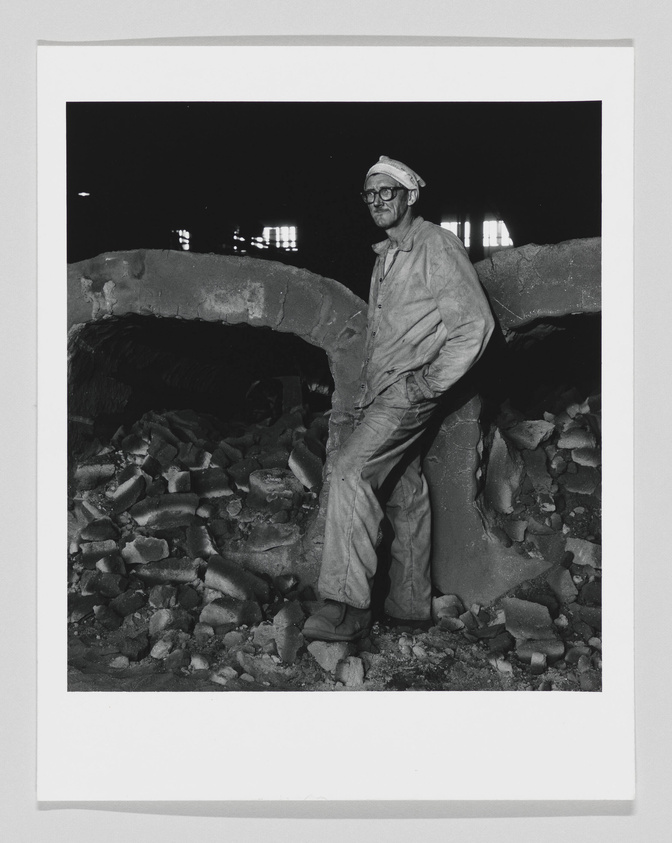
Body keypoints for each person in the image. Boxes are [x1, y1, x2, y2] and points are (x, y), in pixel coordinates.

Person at [303, 156, 495, 642]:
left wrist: (426, 384)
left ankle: (345, 607)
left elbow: (475, 326)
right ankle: (409, 606)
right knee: (404, 493)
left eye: (386, 192)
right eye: (369, 195)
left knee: (350, 472)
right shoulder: (387, 255)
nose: (377, 202)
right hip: (382, 392)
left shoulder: (435, 246)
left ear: (410, 195)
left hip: (406, 392)